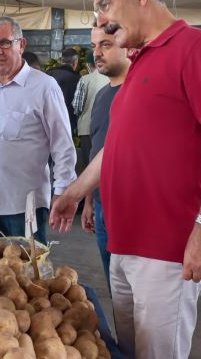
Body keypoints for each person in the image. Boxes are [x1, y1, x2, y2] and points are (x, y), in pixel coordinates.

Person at [49, 0, 201, 357]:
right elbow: (115, 146)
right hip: (124, 243)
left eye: (104, 5)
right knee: (130, 352)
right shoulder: (139, 64)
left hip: (166, 253)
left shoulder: (196, 48)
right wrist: (75, 192)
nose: (102, 21)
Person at [0, 16, 76, 249]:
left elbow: (62, 144)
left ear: (21, 44)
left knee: (29, 276)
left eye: (5, 43)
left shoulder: (44, 87)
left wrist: (62, 191)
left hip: (24, 206)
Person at [79, 26, 130, 290]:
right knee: (115, 288)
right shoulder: (101, 95)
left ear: (127, 44)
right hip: (101, 206)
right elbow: (96, 151)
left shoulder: (138, 92)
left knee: (135, 291)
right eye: (94, 46)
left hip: (129, 208)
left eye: (106, 45)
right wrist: (88, 200)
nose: (97, 53)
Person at [72, 51, 109, 174]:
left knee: (89, 164)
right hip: (107, 128)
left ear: (88, 64)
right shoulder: (112, 78)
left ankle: (89, 192)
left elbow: (77, 107)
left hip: (87, 129)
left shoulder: (85, 79)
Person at [47, 48, 82, 133]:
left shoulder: (48, 73)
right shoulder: (77, 78)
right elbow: (77, 105)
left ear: (61, 61)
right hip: (67, 122)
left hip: (47, 119)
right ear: (75, 62)